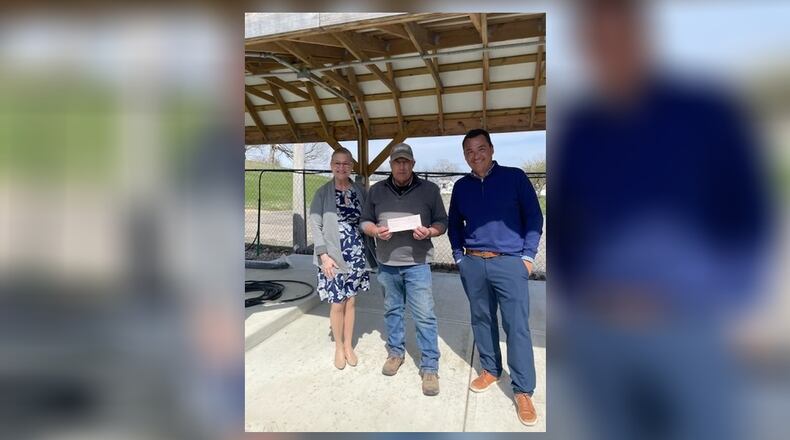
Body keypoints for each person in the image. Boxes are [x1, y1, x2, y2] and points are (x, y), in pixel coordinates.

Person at [448, 128, 544, 426]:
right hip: (474, 263)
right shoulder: (461, 186)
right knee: (481, 319)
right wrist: (459, 257)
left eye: (480, 148)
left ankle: (523, 389)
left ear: (491, 149)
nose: (475, 155)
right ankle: (491, 369)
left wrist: (527, 257)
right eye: (468, 151)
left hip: (510, 264)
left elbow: (534, 218)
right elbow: (453, 224)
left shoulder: (514, 177)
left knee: (516, 326)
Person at [360, 143, 448, 396]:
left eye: (406, 162)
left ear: (413, 164)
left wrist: (430, 231)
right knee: (393, 311)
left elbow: (443, 222)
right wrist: (375, 230)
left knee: (424, 316)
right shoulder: (376, 191)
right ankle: (396, 353)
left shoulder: (429, 190)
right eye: (397, 161)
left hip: (418, 263)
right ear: (390, 164)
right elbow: (364, 220)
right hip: (387, 263)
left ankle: (430, 366)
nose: (401, 166)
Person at [309, 147, 376, 370]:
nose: (341, 167)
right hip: (333, 256)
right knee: (337, 303)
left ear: (352, 166)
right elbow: (316, 225)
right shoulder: (322, 193)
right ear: (331, 165)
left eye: (346, 163)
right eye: (337, 163)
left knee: (351, 301)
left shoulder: (359, 190)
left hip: (357, 253)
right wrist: (323, 256)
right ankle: (338, 347)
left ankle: (349, 345)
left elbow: (367, 218)